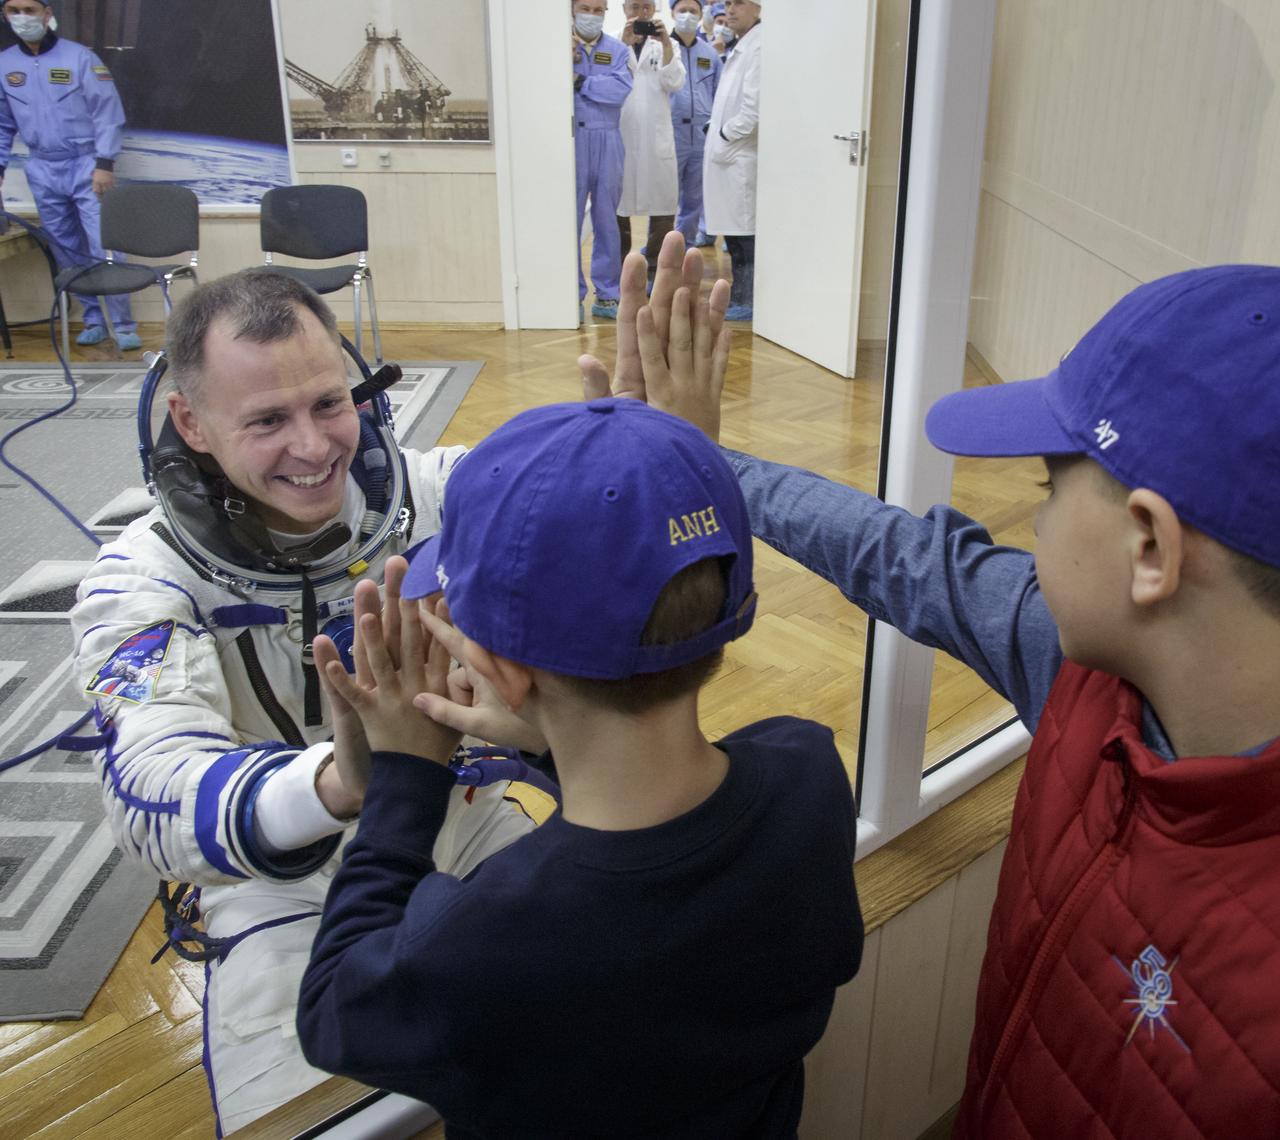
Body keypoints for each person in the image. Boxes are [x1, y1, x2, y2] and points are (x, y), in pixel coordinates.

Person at [640, 253, 1280, 1137]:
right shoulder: (1085, 670)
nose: (1035, 524)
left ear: (1150, 550)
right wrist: (711, 466)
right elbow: (902, 557)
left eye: (1049, 487)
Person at [296, 394, 863, 1137]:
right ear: (734, 608)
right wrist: (544, 739)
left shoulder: (485, 939)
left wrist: (404, 780)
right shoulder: (809, 775)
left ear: (500, 668)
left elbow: (334, 1007)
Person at [69, 269, 536, 1134]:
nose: (315, 446)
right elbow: (143, 790)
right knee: (318, 1116)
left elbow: (574, 505)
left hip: (468, 829)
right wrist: (336, 782)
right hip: (282, 889)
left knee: (590, 1049)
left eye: (329, 403)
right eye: (267, 421)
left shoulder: (439, 495)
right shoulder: (141, 579)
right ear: (192, 423)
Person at [0, 0, 141, 350]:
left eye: (29, 9)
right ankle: (93, 318)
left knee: (103, 243)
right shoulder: (5, 64)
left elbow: (107, 113)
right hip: (42, 166)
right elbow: (3, 125)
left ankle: (123, 324)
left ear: (47, 14)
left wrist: (104, 164)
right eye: (13, 10)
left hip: (86, 163)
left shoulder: (79, 58)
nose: (22, 17)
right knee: (66, 247)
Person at [615, 0, 684, 282]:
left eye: (646, 8)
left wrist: (667, 44)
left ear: (654, 10)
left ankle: (657, 271)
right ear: (624, 9)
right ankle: (623, 272)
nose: (640, 14)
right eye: (634, 7)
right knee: (618, 208)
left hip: (657, 141)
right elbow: (613, 78)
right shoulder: (614, 46)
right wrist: (623, 44)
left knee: (663, 208)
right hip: (622, 138)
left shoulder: (667, 46)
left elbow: (675, 82)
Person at [573, 0, 632, 321]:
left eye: (598, 10)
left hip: (608, 137)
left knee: (607, 218)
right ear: (571, 9)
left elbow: (620, 90)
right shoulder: (559, 46)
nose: (591, 16)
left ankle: (608, 294)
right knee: (568, 219)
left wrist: (581, 81)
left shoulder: (618, 50)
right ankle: (570, 292)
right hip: (571, 140)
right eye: (585, 8)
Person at [703, 0, 760, 322]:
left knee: (744, 235)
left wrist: (724, 135)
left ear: (757, 7)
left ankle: (747, 297)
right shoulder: (742, 45)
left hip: (739, 154)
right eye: (728, 3)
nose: (732, 9)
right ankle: (741, 294)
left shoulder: (759, 46)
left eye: (740, 2)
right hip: (730, 153)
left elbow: (752, 111)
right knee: (735, 234)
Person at [669, 0, 720, 247]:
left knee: (694, 198)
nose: (687, 15)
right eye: (682, 11)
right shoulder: (661, 48)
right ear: (672, 13)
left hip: (700, 134)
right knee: (665, 199)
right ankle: (660, 253)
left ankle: (685, 248)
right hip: (671, 132)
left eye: (693, 11)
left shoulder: (709, 53)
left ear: (701, 15)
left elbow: (720, 93)